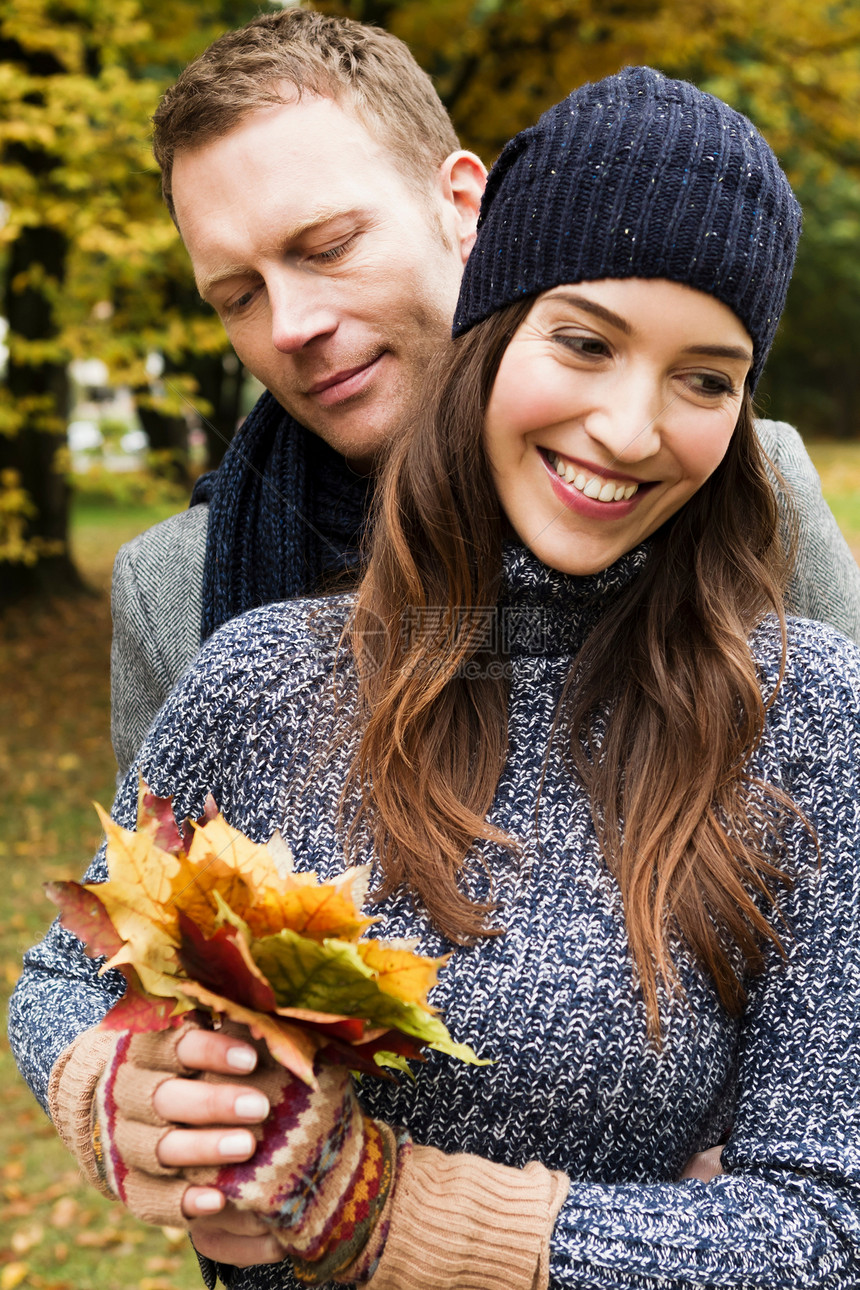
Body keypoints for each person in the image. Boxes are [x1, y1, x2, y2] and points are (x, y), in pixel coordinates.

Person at [11, 66, 860, 1288]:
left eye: (704, 377)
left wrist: (389, 1212)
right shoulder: (257, 669)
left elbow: (823, 1226)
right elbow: (78, 963)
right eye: (582, 341)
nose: (627, 427)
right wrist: (123, 1091)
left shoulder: (806, 714)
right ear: (495, 329)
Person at [110, 7, 860, 783]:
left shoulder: (744, 492)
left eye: (329, 248)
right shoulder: (178, 592)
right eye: (238, 297)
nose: (291, 326)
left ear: (463, 205)